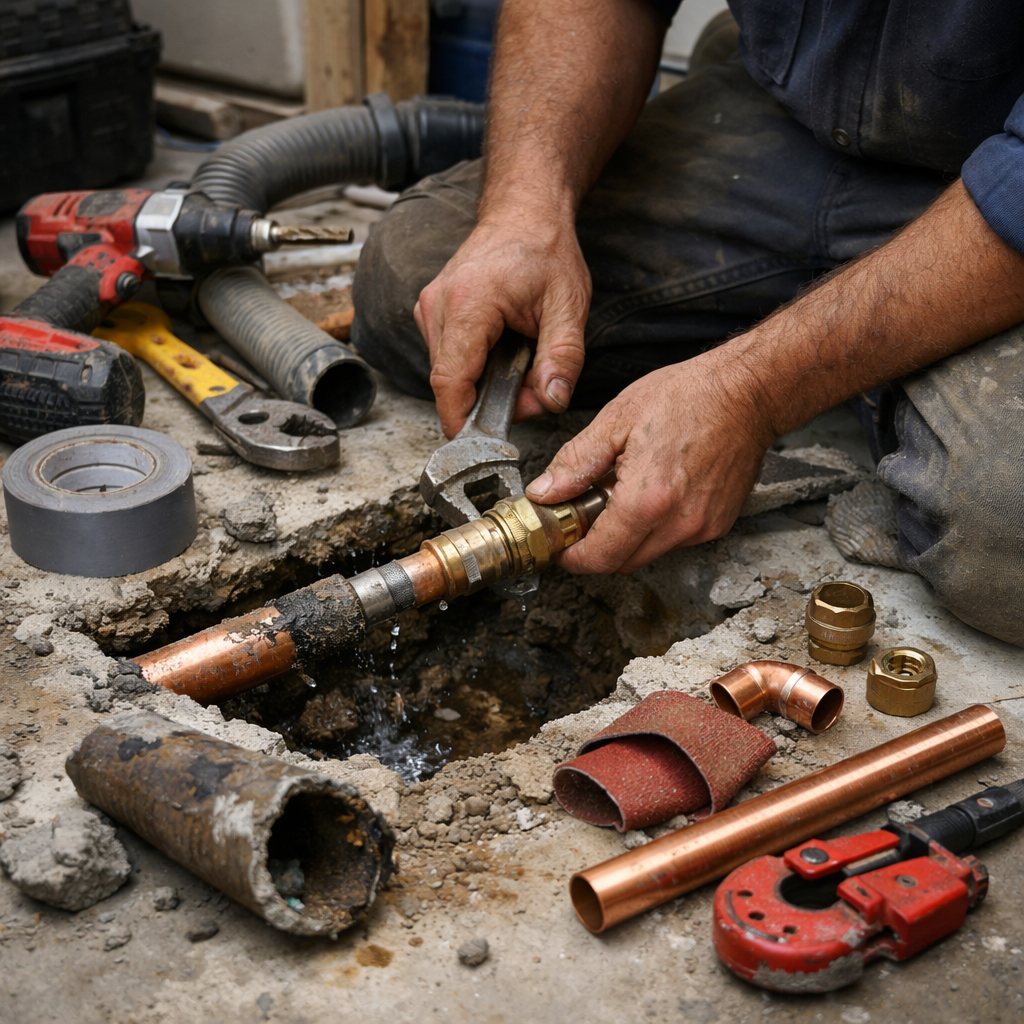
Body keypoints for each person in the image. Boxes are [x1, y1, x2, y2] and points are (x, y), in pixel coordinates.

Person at [351, 0, 1024, 647]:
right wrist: (524, 213)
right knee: (419, 286)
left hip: (997, 196)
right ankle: (871, 383)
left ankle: (865, 380)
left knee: (1001, 529)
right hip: (789, 130)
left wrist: (751, 390)